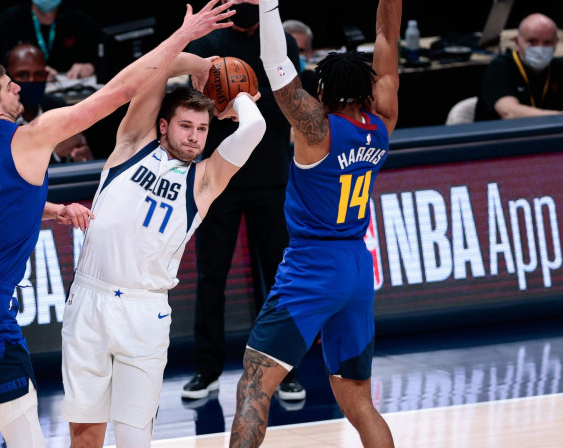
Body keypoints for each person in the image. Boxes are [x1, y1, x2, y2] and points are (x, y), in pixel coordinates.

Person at [0, 3, 237, 447]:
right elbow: (120, 90)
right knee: (25, 425)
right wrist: (185, 38)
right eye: (9, 87)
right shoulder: (29, 137)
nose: (19, 88)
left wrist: (51, 210)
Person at [60, 42, 266, 446]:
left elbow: (255, 129)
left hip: (146, 310)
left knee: (136, 439)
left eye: (203, 129)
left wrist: (238, 99)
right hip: (90, 301)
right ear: (163, 126)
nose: (194, 137)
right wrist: (205, 68)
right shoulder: (131, 146)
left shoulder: (205, 181)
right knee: (85, 438)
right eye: (186, 126)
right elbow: (161, 65)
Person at [229, 0, 401, 446]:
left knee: (254, 385)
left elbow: (273, 62)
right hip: (358, 266)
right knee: (359, 401)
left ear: (321, 90)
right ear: (366, 88)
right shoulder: (382, 122)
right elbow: (386, 40)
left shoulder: (315, 130)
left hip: (312, 265)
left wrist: (266, 4)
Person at [181, 0, 306, 403]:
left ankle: (283, 370)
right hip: (219, 178)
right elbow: (195, 104)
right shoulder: (208, 40)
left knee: (276, 276)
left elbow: (290, 106)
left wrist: (240, 100)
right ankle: (207, 369)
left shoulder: (282, 39)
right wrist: (239, 102)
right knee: (210, 275)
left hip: (271, 176)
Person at [474, 13, 563, 121]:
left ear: (556, 43)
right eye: (532, 42)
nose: (540, 49)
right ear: (517, 42)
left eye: (547, 43)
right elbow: (509, 112)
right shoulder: (499, 67)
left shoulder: (559, 67)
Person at [0, 0, 101, 80]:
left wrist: (92, 66)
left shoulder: (78, 19)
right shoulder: (10, 20)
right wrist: (28, 73)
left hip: (63, 97)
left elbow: (108, 53)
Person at [6, 42, 93, 162]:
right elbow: (0, 168)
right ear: (7, 77)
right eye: (23, 75)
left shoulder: (59, 110)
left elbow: (78, 155)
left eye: (39, 75)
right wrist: (53, 156)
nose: (32, 81)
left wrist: (82, 156)